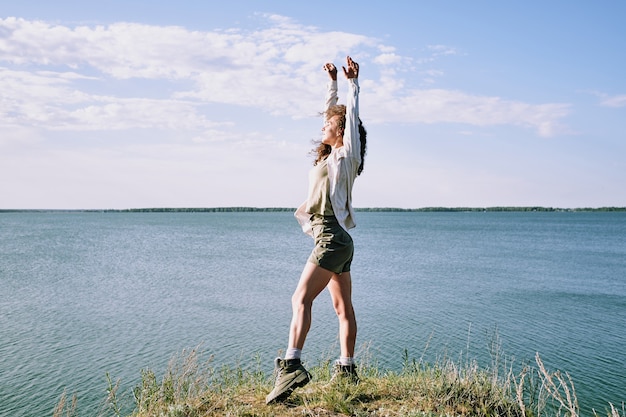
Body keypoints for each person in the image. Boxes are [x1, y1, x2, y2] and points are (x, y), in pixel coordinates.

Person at [266, 56, 367, 404]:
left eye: (330, 125)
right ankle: (347, 369)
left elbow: (347, 118)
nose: (324, 126)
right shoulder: (326, 158)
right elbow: (332, 113)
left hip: (332, 237)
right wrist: (332, 84)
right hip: (337, 239)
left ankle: (292, 365)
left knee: (300, 299)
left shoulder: (345, 158)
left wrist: (353, 85)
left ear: (341, 132)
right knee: (343, 310)